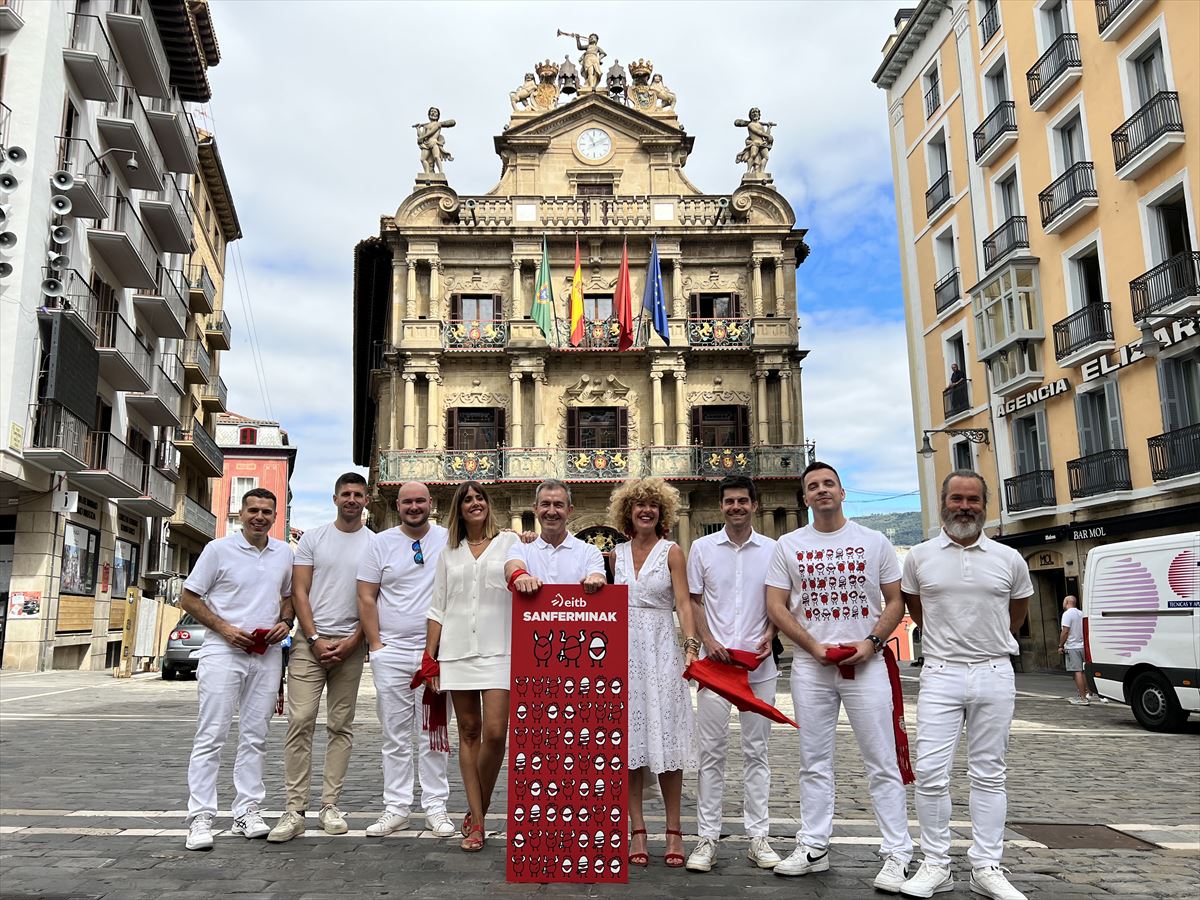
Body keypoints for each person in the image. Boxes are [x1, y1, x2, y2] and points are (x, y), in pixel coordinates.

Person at [765, 461, 913, 893]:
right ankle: (813, 844)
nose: (822, 490)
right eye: (813, 486)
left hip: (865, 664)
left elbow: (895, 600)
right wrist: (811, 646)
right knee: (813, 760)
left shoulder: (875, 540)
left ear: (843, 492)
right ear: (805, 498)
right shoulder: (788, 545)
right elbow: (776, 605)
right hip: (812, 667)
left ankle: (897, 852)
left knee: (882, 760)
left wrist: (872, 642)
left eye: (829, 483)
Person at [899, 470, 1033, 900]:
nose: (964, 507)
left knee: (990, 773)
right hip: (940, 672)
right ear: (943, 502)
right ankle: (935, 863)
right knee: (932, 774)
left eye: (973, 500)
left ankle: (986, 866)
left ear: (984, 504)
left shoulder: (1008, 559)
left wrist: (990, 643)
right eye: (956, 498)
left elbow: (1018, 610)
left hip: (994, 672)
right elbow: (917, 609)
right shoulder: (918, 558)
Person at [181, 488, 294, 851]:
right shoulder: (218, 550)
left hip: (266, 653)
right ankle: (200, 816)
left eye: (266, 511)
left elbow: (288, 597)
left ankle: (247, 810)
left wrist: (286, 622)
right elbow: (189, 597)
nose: (259, 516)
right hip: (222, 651)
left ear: (275, 517)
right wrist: (225, 629)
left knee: (256, 736)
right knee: (211, 733)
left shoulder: (283, 554)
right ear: (240, 513)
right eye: (253, 510)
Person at [268, 473, 373, 843]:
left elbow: (375, 600)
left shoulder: (374, 544)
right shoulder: (314, 538)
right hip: (308, 644)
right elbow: (300, 590)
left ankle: (330, 804)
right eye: (345, 493)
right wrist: (312, 638)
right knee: (300, 720)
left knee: (341, 725)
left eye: (357, 494)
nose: (351, 499)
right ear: (334, 499)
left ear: (366, 499)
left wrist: (353, 641)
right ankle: (294, 809)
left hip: (351, 645)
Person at [684, 476, 781, 873]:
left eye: (743, 501)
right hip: (717, 668)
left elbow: (783, 600)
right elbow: (691, 600)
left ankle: (759, 836)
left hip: (759, 667)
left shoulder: (775, 550)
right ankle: (707, 837)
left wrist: (772, 634)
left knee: (757, 753)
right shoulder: (702, 548)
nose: (736, 507)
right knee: (712, 754)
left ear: (754, 505)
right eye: (729, 501)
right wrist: (707, 639)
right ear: (721, 506)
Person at [608, 476, 700, 869]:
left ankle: (675, 829)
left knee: (668, 737)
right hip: (625, 649)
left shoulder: (673, 551)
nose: (646, 510)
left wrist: (691, 648)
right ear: (627, 512)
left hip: (662, 646)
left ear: (662, 512)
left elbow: (683, 603)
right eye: (638, 505)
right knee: (630, 741)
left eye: (653, 506)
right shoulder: (615, 554)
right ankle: (638, 829)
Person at [425, 481, 519, 853]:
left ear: (488, 505)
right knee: (468, 731)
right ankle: (477, 820)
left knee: (496, 733)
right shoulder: (449, 553)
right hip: (456, 649)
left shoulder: (510, 543)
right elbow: (438, 607)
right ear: (459, 510)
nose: (474, 503)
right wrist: (429, 658)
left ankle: (478, 805)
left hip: (500, 650)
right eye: (467, 500)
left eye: (479, 498)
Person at [356, 482, 455, 838]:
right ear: (398, 506)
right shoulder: (379, 543)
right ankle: (395, 807)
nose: (414, 507)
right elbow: (366, 596)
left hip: (435, 654)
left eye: (420, 501)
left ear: (431, 503)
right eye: (407, 502)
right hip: (393, 652)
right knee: (395, 736)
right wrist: (377, 646)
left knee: (434, 732)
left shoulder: (448, 539)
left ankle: (435, 807)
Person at [505, 479, 606, 594]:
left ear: (569, 510)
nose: (551, 512)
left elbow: (598, 574)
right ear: (536, 509)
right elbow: (512, 569)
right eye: (545, 504)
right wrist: (521, 576)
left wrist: (596, 579)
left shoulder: (589, 551)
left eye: (558, 505)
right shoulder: (521, 548)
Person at [1060, 595, 1089, 706]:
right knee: (1084, 671)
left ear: (1067, 602)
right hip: (1083, 646)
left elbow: (1065, 631)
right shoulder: (1081, 613)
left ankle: (1082, 698)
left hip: (1073, 646)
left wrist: (1060, 645)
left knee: (1077, 672)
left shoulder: (1067, 614)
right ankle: (1087, 694)